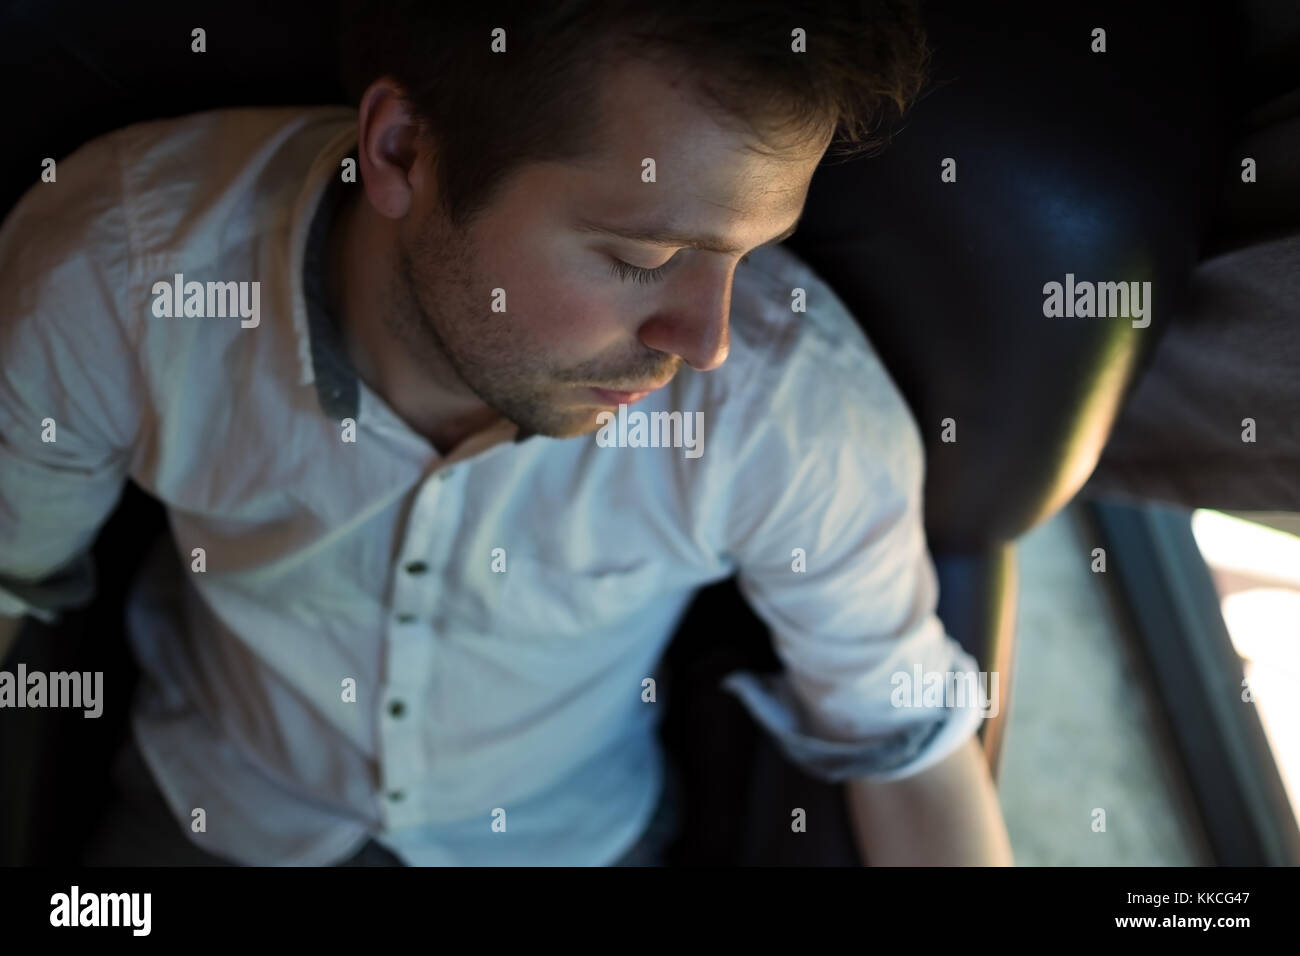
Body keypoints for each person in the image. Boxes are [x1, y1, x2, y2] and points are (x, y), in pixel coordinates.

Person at [0, 1, 1012, 866]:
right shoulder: (119, 277)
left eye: (746, 254)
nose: (703, 342)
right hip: (213, 820)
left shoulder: (789, 408)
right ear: (401, 148)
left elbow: (905, 736)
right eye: (642, 253)